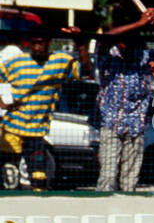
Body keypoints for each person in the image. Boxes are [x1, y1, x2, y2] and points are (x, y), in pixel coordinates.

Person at [0, 27, 91, 190]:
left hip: (36, 131)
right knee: (9, 175)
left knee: (39, 176)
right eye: (34, 43)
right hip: (12, 127)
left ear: (49, 43)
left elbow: (85, 71)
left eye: (41, 43)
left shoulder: (60, 62)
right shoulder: (17, 62)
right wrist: (2, 103)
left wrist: (81, 45)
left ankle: (37, 205)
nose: (37, 47)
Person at [94, 6, 154, 192]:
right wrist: (139, 23)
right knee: (108, 177)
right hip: (111, 123)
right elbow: (105, 38)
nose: (127, 44)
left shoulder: (145, 56)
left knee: (130, 180)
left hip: (136, 125)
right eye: (124, 40)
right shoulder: (108, 53)